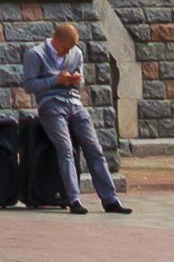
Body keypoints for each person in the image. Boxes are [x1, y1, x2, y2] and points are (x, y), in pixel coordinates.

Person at [16, 19, 123, 214]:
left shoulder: (76, 53)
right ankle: (74, 199)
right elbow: (29, 85)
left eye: (71, 48)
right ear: (55, 41)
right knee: (66, 149)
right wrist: (55, 79)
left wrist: (75, 81)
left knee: (95, 149)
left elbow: (80, 83)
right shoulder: (36, 54)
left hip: (74, 103)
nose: (68, 52)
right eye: (65, 48)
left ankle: (110, 199)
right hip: (51, 104)